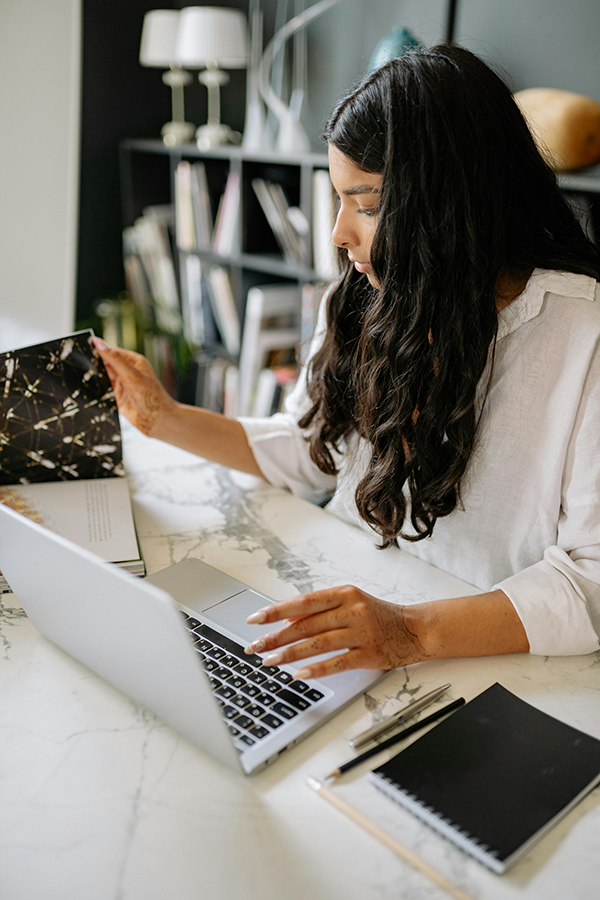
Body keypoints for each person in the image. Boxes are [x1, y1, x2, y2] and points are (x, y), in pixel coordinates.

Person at [94, 43, 600, 682]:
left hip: (486, 665)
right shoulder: (363, 296)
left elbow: (590, 582)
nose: (338, 233)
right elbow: (309, 450)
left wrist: (408, 633)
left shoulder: (585, 334)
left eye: (365, 204)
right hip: (353, 624)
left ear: (453, 201)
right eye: (337, 199)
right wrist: (163, 417)